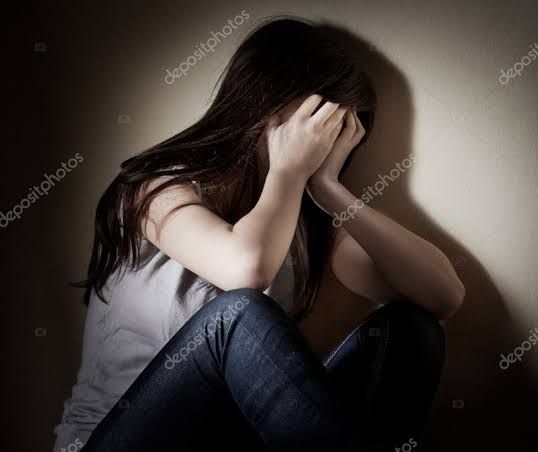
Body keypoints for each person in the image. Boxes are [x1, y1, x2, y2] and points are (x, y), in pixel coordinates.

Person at [54, 17, 465, 452]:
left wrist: (331, 190)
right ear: (267, 101)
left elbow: (442, 296)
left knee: (412, 331)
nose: (324, 138)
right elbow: (246, 271)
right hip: (121, 441)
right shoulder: (154, 189)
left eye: (341, 129)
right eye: (319, 119)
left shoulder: (306, 226)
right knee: (237, 316)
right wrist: (288, 170)